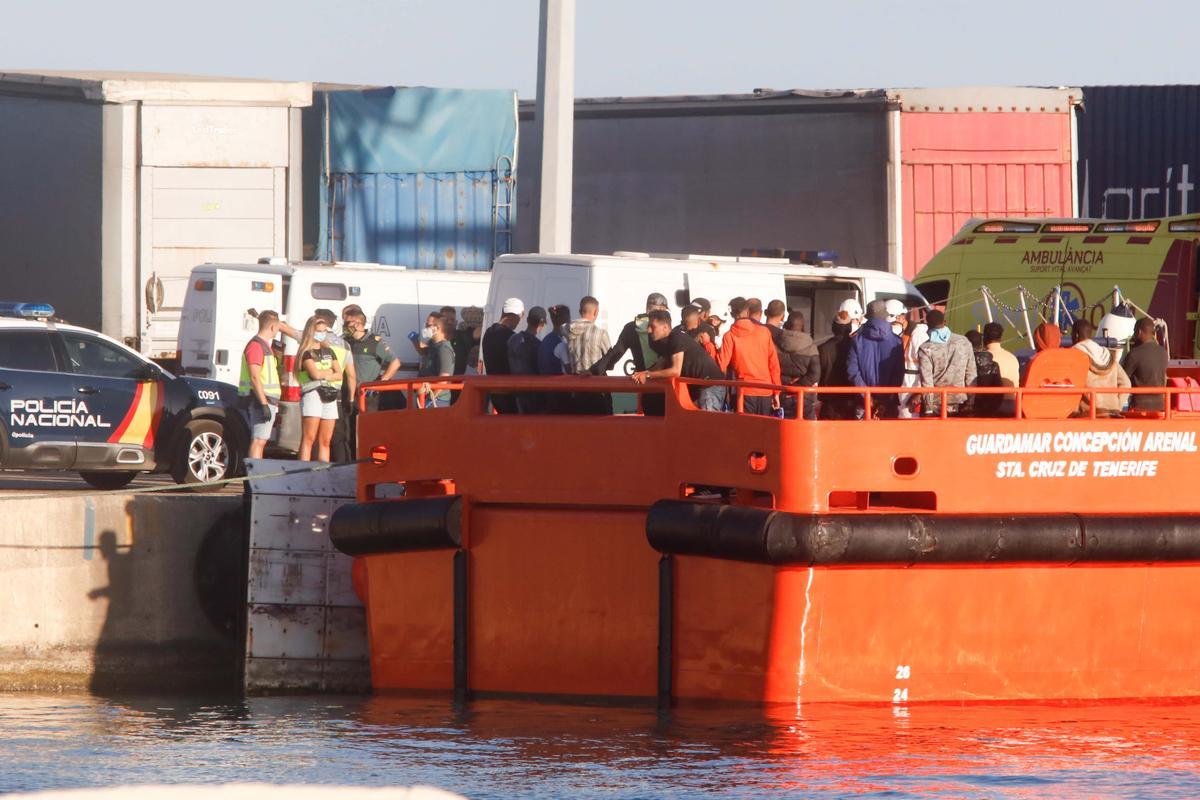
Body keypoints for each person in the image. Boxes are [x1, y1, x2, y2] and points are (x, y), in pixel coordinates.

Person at [591, 293, 670, 415]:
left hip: (646, 387)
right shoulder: (665, 328)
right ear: (662, 310)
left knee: (651, 422)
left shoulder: (631, 328)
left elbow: (616, 352)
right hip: (667, 387)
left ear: (647, 309)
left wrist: (593, 371)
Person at [632, 310, 725, 412]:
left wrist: (648, 375)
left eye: (652, 327)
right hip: (698, 387)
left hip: (710, 385)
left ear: (665, 327)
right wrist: (641, 373)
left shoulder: (676, 337)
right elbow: (659, 366)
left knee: (706, 421)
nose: (649, 330)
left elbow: (675, 371)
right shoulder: (666, 343)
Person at [341, 305, 402, 451]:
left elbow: (395, 362)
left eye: (347, 323)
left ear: (358, 324)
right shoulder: (345, 342)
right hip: (349, 393)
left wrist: (381, 383)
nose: (344, 326)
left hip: (368, 396)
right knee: (348, 432)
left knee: (367, 431)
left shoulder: (374, 342)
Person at [718, 296, 781, 415]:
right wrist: (776, 392)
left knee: (745, 427)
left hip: (744, 392)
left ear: (732, 314)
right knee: (763, 426)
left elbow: (721, 365)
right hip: (766, 390)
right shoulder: (764, 332)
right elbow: (774, 365)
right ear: (748, 312)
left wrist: (709, 346)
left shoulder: (729, 336)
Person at [296, 315, 343, 462]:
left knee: (325, 441)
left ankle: (323, 471)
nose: (321, 334)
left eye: (324, 331)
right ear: (311, 332)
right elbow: (315, 374)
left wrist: (326, 375)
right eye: (318, 331)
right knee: (309, 438)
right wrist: (329, 372)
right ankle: (303, 469)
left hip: (330, 394)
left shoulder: (329, 351)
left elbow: (339, 374)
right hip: (312, 394)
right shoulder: (306, 352)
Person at [238, 310, 283, 460]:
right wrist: (264, 404)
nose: (278, 331)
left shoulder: (263, 346)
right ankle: (255, 473)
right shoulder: (256, 346)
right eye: (278, 327)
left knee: (260, 440)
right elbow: (254, 376)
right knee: (259, 440)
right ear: (272, 327)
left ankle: (255, 471)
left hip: (265, 399)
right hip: (260, 399)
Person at [848, 300, 904, 418]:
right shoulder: (897, 342)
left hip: (864, 402)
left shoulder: (857, 340)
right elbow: (899, 373)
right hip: (889, 403)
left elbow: (853, 372)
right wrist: (885, 399)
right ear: (884, 315)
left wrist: (866, 396)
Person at [315, 308, 357, 463]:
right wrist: (350, 399)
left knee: (314, 436)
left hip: (316, 391)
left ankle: (311, 469)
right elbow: (351, 375)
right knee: (337, 436)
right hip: (336, 395)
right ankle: (340, 467)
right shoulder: (345, 345)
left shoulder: (314, 339)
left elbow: (291, 332)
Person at [917, 309, 977, 417]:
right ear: (944, 322)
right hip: (960, 400)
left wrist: (928, 409)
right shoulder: (963, 342)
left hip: (936, 403)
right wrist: (970, 402)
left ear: (928, 325)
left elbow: (927, 382)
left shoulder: (925, 348)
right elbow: (971, 374)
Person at [1072, 318, 1130, 416]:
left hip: (1088, 415)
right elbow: (1126, 383)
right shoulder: (1107, 356)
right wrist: (1117, 407)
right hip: (1112, 414)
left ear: (1076, 335)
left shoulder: (1075, 356)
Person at [566, 296, 612, 414]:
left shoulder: (568, 332)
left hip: (576, 388)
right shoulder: (600, 333)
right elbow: (610, 362)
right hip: (598, 389)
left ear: (580, 311)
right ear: (596, 311)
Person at [482, 298, 524, 413]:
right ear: (517, 315)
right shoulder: (512, 338)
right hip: (510, 393)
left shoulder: (488, 333)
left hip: (495, 393)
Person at [775, 311, 820, 419]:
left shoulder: (776, 343)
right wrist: (798, 385)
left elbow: (771, 368)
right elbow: (815, 374)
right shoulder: (811, 346)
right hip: (804, 396)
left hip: (782, 393)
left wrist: (787, 385)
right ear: (803, 326)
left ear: (787, 324)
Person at [1123, 317, 1168, 412]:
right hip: (1160, 406)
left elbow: (1123, 379)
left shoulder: (1134, 353)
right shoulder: (1163, 352)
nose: (1134, 335)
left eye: (1134, 331)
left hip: (1139, 407)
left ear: (1139, 332)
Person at [508, 306, 547, 413]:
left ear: (527, 320)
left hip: (516, 393)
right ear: (542, 324)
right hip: (533, 395)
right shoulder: (538, 346)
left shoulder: (512, 340)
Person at [818, 317, 857, 420]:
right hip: (851, 401)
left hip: (829, 401)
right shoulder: (856, 347)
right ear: (850, 328)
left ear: (833, 328)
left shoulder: (823, 349)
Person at [417, 315, 455, 408]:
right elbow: (423, 352)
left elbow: (443, 380)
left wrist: (430, 399)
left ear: (437, 328)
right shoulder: (433, 344)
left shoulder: (444, 349)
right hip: (424, 397)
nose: (425, 327)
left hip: (437, 401)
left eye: (428, 325)